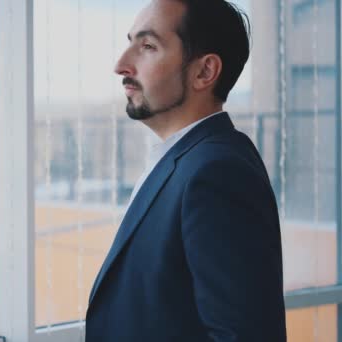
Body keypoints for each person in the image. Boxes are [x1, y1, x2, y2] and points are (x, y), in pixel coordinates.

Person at [85, 0, 287, 340]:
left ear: (204, 72)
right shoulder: (185, 160)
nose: (122, 65)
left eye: (148, 46)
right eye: (130, 42)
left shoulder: (217, 173)